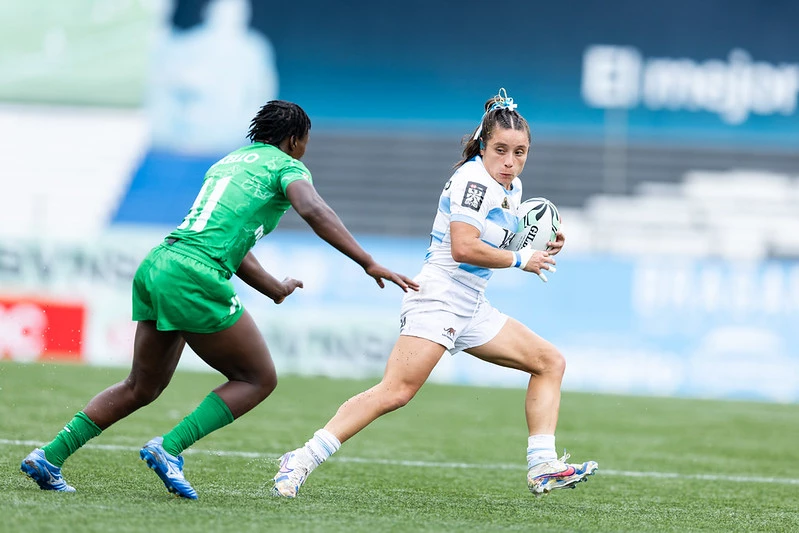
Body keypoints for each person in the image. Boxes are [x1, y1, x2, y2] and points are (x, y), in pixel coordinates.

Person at [20, 100, 419, 499]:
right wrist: (367, 262)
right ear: (294, 140)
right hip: (195, 275)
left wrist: (272, 288)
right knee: (257, 378)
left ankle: (50, 456)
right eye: (305, 142)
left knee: (141, 385)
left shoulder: (231, 161)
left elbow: (231, 239)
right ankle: (169, 447)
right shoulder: (286, 166)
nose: (305, 150)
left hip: (160, 263)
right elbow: (312, 208)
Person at [271, 89, 598, 499]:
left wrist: (544, 241)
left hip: (472, 303)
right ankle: (300, 458)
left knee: (550, 362)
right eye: (501, 150)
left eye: (520, 152)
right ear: (483, 145)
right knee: (396, 392)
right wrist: (521, 261)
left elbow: (504, 238)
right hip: (440, 296)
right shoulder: (473, 181)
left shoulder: (511, 188)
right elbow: (464, 248)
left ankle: (542, 465)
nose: (510, 162)